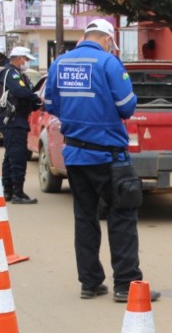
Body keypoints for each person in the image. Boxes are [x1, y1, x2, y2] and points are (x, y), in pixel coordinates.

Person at [45, 19, 159, 303]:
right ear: (108, 40)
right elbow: (127, 107)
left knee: (85, 218)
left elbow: (50, 104)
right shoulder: (109, 63)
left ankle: (90, 283)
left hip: (75, 156)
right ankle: (126, 284)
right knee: (122, 217)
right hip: (109, 157)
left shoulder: (59, 64)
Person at [0, 46, 40, 205]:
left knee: (10, 156)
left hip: (17, 119)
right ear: (18, 58)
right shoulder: (11, 73)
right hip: (13, 119)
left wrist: (34, 101)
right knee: (17, 156)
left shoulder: (17, 74)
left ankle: (8, 191)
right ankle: (17, 192)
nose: (26, 62)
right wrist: (35, 98)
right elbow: (20, 92)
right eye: (26, 59)